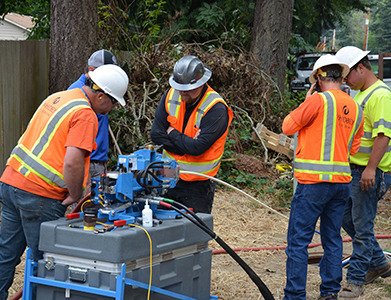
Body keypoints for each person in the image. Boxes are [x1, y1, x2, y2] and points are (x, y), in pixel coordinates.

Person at [0, 64, 129, 300]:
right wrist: (75, 194)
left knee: (5, 254)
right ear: (100, 96)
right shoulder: (86, 114)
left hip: (12, 181)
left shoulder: (60, 97)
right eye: (113, 103)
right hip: (40, 195)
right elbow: (72, 162)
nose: (111, 109)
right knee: (49, 262)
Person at [282, 54, 364, 300]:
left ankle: (295, 295)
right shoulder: (356, 108)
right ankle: (330, 292)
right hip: (340, 185)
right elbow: (354, 149)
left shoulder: (318, 101)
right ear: (340, 77)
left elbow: (288, 126)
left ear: (318, 78)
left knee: (298, 242)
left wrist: (305, 102)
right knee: (332, 239)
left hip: (313, 184)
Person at [335, 46, 391, 298]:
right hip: (355, 171)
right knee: (350, 220)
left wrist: (371, 168)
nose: (345, 80)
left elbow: (384, 135)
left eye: (347, 74)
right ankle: (379, 264)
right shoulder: (361, 94)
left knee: (362, 227)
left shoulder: (380, 96)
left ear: (361, 68)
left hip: (370, 172)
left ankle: (355, 281)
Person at [150, 55, 233, 213]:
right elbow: (156, 135)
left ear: (201, 83)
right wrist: (186, 146)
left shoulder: (216, 108)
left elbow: (198, 148)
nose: (182, 92)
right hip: (168, 177)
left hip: (197, 184)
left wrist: (172, 133)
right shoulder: (170, 95)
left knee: (194, 234)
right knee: (163, 230)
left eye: (188, 89)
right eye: (180, 87)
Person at [68, 49, 119, 180]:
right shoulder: (78, 92)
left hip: (98, 163)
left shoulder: (101, 89)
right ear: (91, 69)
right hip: (87, 163)